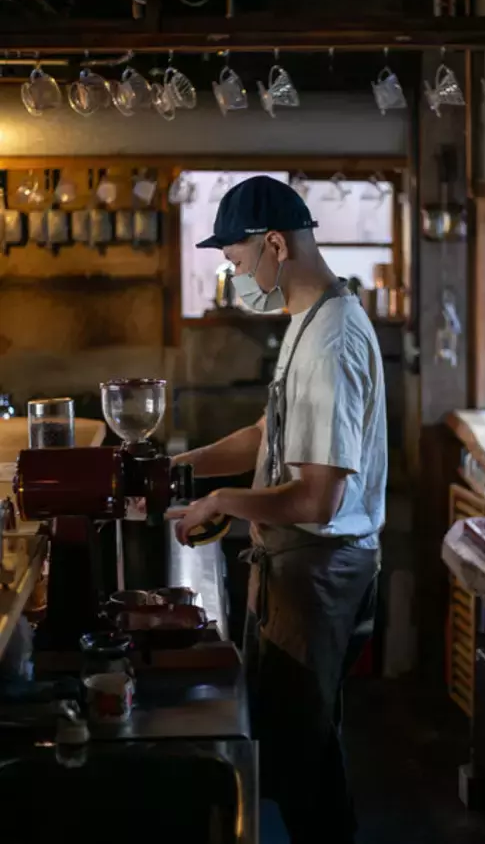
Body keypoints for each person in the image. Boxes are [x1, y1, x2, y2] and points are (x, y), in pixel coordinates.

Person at [170, 175, 387, 844]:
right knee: (298, 747)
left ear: (273, 245)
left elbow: (321, 497)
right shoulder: (306, 319)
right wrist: (180, 466)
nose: (236, 276)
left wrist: (225, 501)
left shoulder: (333, 341)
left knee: (303, 765)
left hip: (317, 570)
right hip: (293, 564)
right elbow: (270, 433)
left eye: (236, 261)